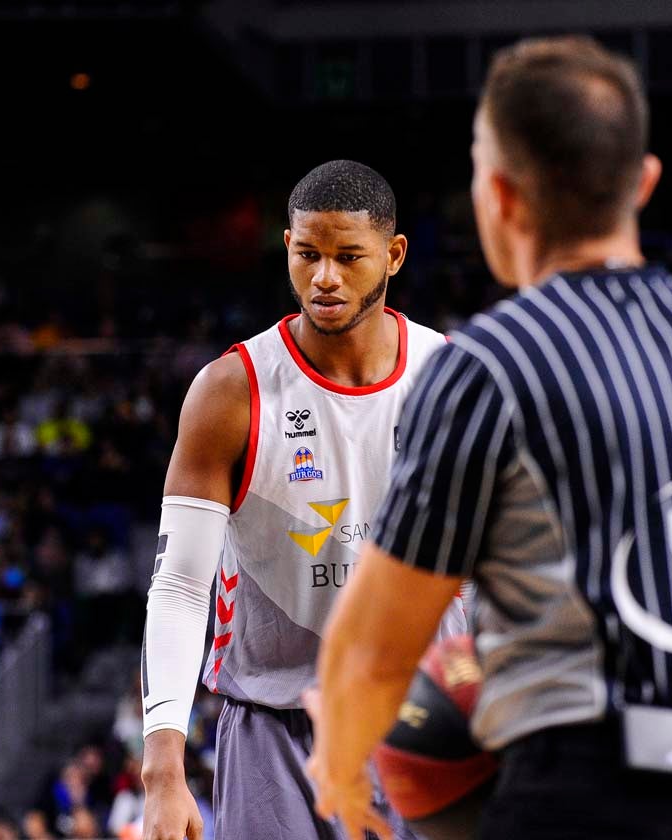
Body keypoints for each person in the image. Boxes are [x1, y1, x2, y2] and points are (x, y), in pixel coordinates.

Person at [307, 37, 672, 840]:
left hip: (589, 796)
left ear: (500, 198)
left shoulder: (492, 364)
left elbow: (376, 647)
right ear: (644, 182)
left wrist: (341, 773)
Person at [139, 160, 464, 840]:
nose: (324, 277)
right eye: (308, 254)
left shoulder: (453, 381)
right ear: (287, 245)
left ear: (394, 254)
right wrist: (163, 768)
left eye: (349, 257)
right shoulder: (230, 390)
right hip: (273, 727)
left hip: (428, 722)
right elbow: (178, 585)